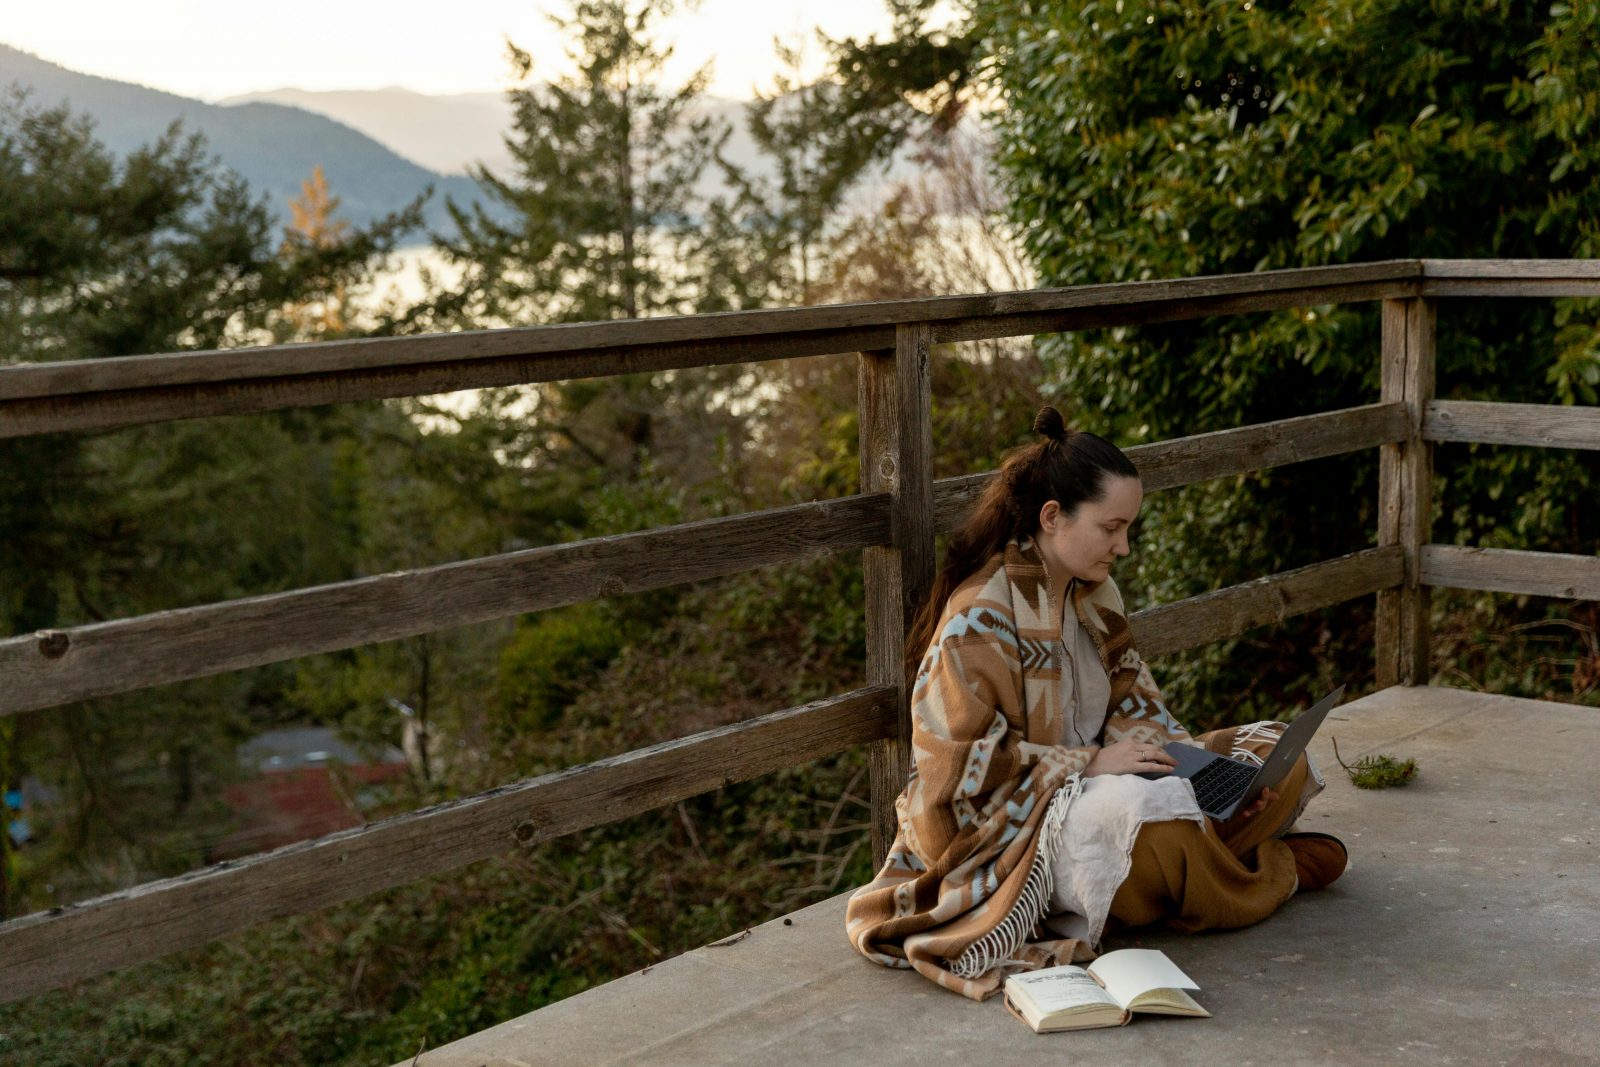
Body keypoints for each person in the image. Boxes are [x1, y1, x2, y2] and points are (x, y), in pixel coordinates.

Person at [844, 406, 1347, 1001]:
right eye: (1111, 528)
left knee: (1269, 754)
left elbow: (1137, 701)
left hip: (1104, 779)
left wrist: (1209, 774)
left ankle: (1215, 840)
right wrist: (1085, 764)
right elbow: (951, 769)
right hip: (1018, 827)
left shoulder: (1095, 594)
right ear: (1053, 517)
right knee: (1147, 812)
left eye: (1127, 528)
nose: (1124, 546)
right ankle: (1271, 872)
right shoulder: (979, 617)